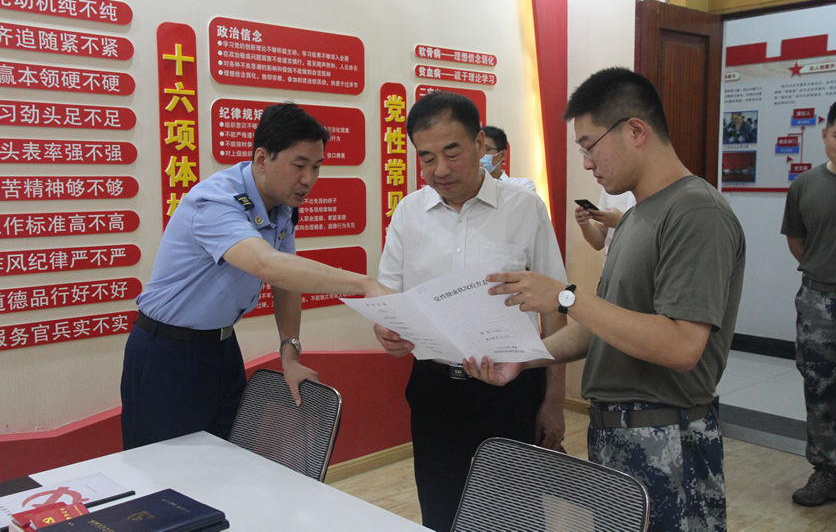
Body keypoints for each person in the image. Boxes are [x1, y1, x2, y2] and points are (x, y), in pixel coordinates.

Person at [464, 68, 746, 532]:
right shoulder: (636, 217)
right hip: (618, 436)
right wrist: (523, 358)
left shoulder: (696, 211)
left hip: (667, 437)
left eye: (589, 146)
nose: (587, 163)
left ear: (635, 130)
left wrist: (565, 297)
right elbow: (602, 329)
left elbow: (681, 346)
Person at [121, 103, 391, 450]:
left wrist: (290, 356)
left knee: (226, 461)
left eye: (316, 167)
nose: (308, 179)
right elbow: (267, 264)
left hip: (222, 348)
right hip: (167, 353)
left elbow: (286, 281)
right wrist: (365, 284)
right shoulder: (216, 201)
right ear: (262, 158)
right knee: (163, 471)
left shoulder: (282, 206)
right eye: (299, 166)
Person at [375, 92, 567, 532]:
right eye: (426, 158)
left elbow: (555, 310)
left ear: (480, 144)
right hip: (435, 391)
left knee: (516, 516)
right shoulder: (409, 213)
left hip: (512, 391)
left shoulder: (524, 209)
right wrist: (386, 329)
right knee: (441, 512)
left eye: (452, 152)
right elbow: (389, 298)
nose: (439, 170)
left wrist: (554, 400)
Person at [781, 96, 836, 507]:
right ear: (824, 136)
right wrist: (826, 277)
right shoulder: (804, 185)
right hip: (817, 301)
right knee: (821, 389)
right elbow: (797, 240)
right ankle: (827, 474)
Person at [575, 189, 636, 254]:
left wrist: (621, 221)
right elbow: (598, 243)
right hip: (611, 258)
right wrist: (585, 224)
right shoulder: (609, 188)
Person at [481, 125, 537, 191]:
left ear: (502, 155)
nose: (480, 154)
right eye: (477, 149)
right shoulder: (470, 187)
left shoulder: (522, 185)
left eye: (486, 150)